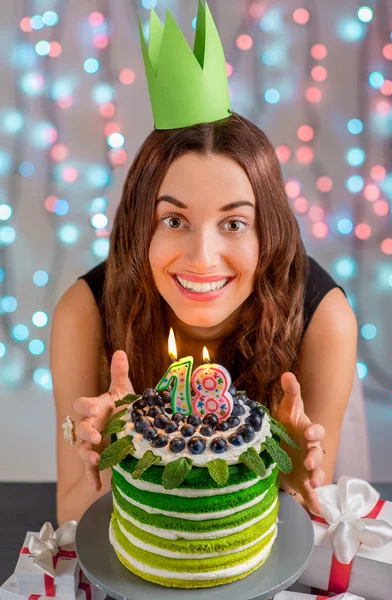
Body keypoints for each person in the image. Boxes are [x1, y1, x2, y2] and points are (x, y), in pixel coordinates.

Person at [51, 3, 358, 526]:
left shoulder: (323, 321)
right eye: (174, 221)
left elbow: (302, 522)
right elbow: (71, 519)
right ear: (138, 224)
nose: (200, 258)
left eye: (234, 223)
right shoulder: (84, 314)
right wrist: (103, 470)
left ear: (270, 232)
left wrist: (292, 477)